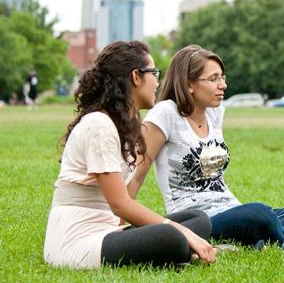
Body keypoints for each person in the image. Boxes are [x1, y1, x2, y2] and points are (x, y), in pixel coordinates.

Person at [130, 45, 284, 250]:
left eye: (222, 77)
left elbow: (217, 176)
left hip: (234, 211)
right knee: (259, 214)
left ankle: (282, 241)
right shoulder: (166, 114)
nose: (222, 84)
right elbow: (136, 175)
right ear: (189, 84)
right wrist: (117, 225)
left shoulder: (213, 113)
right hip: (199, 222)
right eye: (213, 79)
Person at [44, 41, 217, 269]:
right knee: (173, 236)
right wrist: (177, 231)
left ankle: (181, 249)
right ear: (136, 77)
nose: (157, 81)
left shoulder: (122, 125)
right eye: (153, 73)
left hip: (108, 230)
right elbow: (120, 204)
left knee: (198, 219)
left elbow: (119, 211)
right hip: (78, 240)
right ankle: (181, 249)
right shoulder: (99, 125)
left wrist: (175, 229)